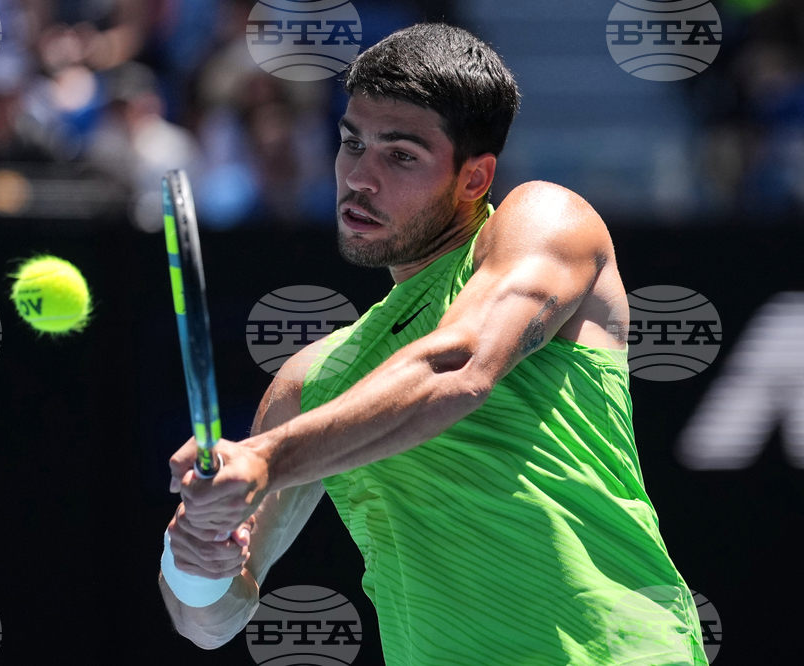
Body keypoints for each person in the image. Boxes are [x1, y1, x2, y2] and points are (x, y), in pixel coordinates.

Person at [159, 23, 709, 665]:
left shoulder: (546, 220)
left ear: (475, 179)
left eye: (400, 155)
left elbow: (461, 367)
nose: (359, 177)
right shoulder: (313, 382)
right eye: (350, 143)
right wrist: (195, 550)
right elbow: (211, 623)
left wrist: (264, 459)